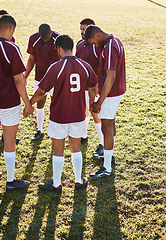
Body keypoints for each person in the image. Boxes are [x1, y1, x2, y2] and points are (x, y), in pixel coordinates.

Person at [31, 35, 98, 192]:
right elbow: (93, 88)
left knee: (58, 150)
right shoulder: (84, 65)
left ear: (59, 49)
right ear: (73, 48)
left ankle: (56, 183)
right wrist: (92, 103)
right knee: (76, 148)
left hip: (59, 115)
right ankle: (79, 181)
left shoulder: (56, 67)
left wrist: (29, 104)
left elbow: (41, 92)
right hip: (78, 114)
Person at [0, 14, 33, 189]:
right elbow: (19, 80)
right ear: (11, 29)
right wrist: (27, 103)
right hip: (9, 101)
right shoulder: (11, 48)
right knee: (9, 139)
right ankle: (10, 180)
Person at [85, 26, 126, 179]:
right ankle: (110, 155)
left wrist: (99, 102)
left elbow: (111, 76)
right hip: (116, 90)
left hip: (111, 92)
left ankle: (107, 167)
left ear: (97, 35)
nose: (95, 46)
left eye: (94, 42)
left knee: (106, 126)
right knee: (110, 123)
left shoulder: (109, 47)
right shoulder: (116, 41)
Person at [24, 24, 60, 141]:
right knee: (40, 102)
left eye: (46, 37)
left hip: (56, 79)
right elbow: (31, 59)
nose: (44, 40)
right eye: (42, 37)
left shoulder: (58, 39)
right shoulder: (34, 39)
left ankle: (55, 129)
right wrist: (25, 76)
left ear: (51, 32)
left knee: (56, 104)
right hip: (40, 77)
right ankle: (40, 130)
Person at [75, 18, 104, 159]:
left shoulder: (96, 46)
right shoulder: (80, 44)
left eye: (85, 29)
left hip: (95, 87)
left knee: (95, 113)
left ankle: (102, 143)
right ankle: (83, 135)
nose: (82, 32)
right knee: (83, 110)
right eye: (80, 29)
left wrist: (98, 86)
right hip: (82, 86)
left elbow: (102, 67)